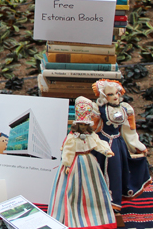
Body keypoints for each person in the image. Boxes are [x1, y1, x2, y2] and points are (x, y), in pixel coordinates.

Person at [48, 96, 116, 228]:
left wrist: (106, 151)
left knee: (93, 189)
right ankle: (67, 217)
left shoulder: (92, 135)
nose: (84, 127)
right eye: (82, 125)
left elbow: (98, 144)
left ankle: (95, 217)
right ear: (77, 125)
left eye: (86, 125)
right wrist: (67, 164)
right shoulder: (72, 137)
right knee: (69, 189)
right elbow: (68, 150)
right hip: (74, 163)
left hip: (89, 162)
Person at [91, 79, 152, 211]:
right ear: (104, 96)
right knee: (100, 170)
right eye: (111, 94)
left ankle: (114, 204)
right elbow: (93, 128)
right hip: (102, 143)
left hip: (118, 145)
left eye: (117, 93)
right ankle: (98, 201)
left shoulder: (125, 109)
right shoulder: (99, 109)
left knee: (116, 171)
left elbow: (129, 130)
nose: (116, 96)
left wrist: (137, 146)